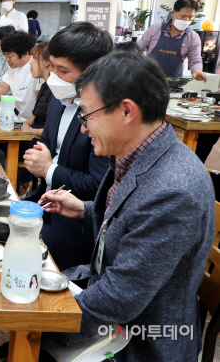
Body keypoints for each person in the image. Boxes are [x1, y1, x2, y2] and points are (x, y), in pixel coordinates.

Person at [36, 52, 214, 361]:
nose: (83, 128)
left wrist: (38, 327)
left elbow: (119, 298)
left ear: (127, 111)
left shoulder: (172, 190)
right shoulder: (138, 154)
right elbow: (133, 224)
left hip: (138, 341)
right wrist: (85, 208)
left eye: (87, 115)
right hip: (115, 317)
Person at [23, 22, 112, 271]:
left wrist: (49, 169)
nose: (53, 76)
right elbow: (46, 147)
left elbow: (98, 186)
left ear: (91, 73)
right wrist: (38, 157)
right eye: (51, 66)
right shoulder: (58, 98)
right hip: (44, 206)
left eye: (62, 70)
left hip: (75, 226)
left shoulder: (102, 116)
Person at [137, 0, 206, 81]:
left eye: (190, 17)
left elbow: (195, 60)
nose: (186, 20)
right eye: (183, 16)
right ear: (173, 13)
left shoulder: (193, 37)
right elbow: (138, 49)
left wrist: (197, 72)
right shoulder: (155, 29)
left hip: (173, 83)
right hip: (148, 80)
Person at [24, 43, 53, 141]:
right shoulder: (45, 86)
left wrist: (29, 131)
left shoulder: (57, 92)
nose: (30, 62)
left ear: (46, 62)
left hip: (41, 142)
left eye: (35, 58)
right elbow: (33, 117)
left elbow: (53, 131)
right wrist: (23, 125)